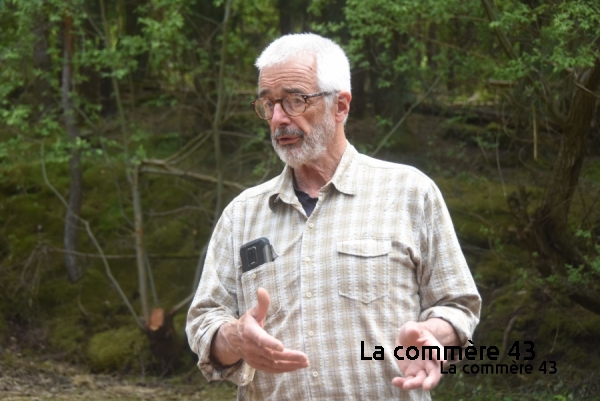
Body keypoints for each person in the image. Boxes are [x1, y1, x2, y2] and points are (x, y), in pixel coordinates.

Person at [186, 33, 481, 400]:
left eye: (295, 101)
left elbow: (457, 304)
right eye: (268, 104)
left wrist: (432, 336)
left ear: (340, 106)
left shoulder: (410, 193)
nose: (278, 119)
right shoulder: (241, 215)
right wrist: (234, 338)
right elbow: (204, 321)